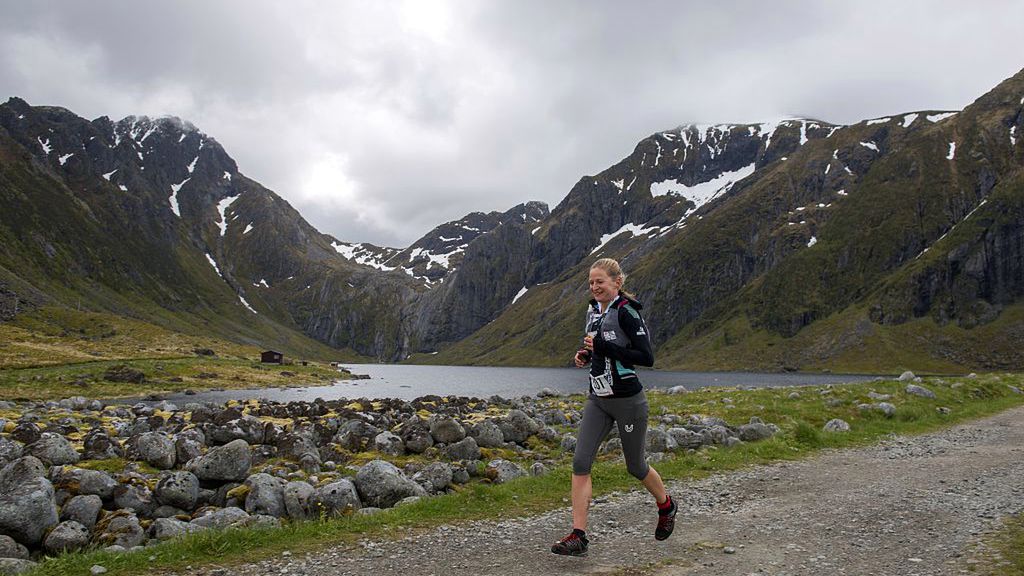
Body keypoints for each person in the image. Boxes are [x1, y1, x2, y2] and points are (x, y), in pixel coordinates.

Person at [551, 258, 676, 557]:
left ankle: (667, 505)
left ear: (616, 282)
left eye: (600, 282)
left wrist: (604, 349)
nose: (594, 287)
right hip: (598, 399)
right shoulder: (592, 311)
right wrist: (584, 355)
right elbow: (596, 347)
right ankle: (578, 536)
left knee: (635, 466)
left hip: (628, 402)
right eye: (591, 283)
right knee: (580, 463)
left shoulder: (627, 312)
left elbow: (646, 357)